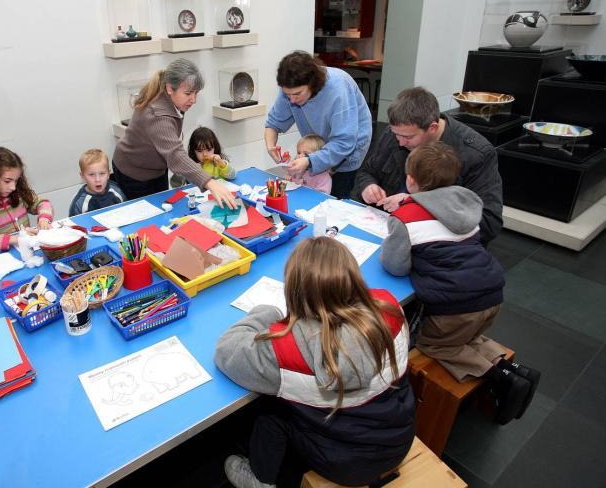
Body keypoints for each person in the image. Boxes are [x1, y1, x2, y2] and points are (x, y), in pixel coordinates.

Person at [215, 237, 415, 488]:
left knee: (270, 412)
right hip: (397, 439)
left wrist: (269, 313)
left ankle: (259, 479)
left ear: (293, 292)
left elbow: (226, 351)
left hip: (344, 464)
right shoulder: (390, 308)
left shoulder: (285, 353)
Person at [379, 142, 539, 424]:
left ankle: (500, 378)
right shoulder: (466, 204)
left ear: (410, 180)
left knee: (436, 346)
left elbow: (395, 265)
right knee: (470, 337)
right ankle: (514, 368)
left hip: (456, 306)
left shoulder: (405, 218)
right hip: (492, 293)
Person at [355, 86, 503, 245]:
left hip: (439, 250)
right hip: (385, 232)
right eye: (396, 134)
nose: (400, 142)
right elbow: (366, 172)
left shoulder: (476, 154)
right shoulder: (397, 133)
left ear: (432, 127)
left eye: (408, 137)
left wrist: (418, 204)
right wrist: (368, 186)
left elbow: (489, 222)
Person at [112, 58, 237, 209]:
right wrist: (210, 183)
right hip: (133, 172)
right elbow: (175, 154)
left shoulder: (171, 98)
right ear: (170, 88)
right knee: (148, 215)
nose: (194, 100)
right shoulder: (158, 115)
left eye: (196, 93)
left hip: (156, 168)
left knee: (163, 209)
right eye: (188, 93)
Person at [264, 50, 372, 199]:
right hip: (316, 148)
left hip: (347, 150)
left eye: (297, 94)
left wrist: (309, 161)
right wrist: (270, 146)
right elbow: (274, 122)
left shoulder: (338, 89)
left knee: (336, 198)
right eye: (288, 95)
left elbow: (344, 142)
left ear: (312, 83)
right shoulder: (291, 89)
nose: (292, 100)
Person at [69, 149, 126, 216]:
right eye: (91, 175)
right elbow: (73, 225)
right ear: (83, 176)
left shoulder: (117, 192)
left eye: (102, 173)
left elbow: (126, 212)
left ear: (108, 174)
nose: (97, 179)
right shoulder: (79, 203)